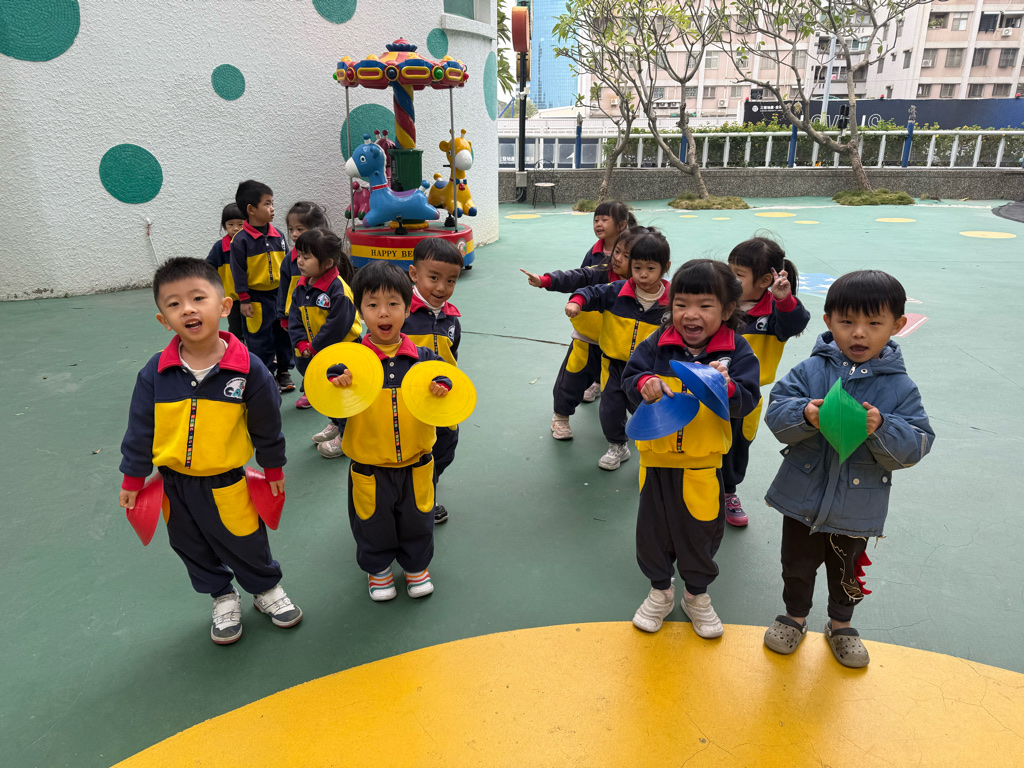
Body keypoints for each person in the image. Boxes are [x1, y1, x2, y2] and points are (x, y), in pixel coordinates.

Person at [118, 257, 301, 645]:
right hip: (174, 485)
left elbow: (267, 427)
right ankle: (222, 596)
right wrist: (133, 478)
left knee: (246, 539)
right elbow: (140, 429)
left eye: (198, 298)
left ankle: (265, 589)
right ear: (164, 320)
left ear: (224, 306)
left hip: (227, 481)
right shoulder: (155, 372)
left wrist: (273, 469)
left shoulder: (249, 369)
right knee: (190, 545)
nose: (187, 309)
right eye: (174, 304)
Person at [761, 270, 933, 668]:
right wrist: (805, 413)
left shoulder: (900, 387)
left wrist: (882, 427)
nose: (859, 333)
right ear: (828, 322)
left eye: (874, 323)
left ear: (897, 325)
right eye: (846, 322)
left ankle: (841, 624)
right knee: (796, 565)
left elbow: (918, 442)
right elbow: (776, 410)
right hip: (802, 498)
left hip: (856, 505)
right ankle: (795, 616)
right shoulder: (811, 370)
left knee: (847, 571)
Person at [623, 260, 760, 639]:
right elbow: (630, 378)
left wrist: (725, 386)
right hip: (655, 463)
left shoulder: (737, 351)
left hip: (702, 467)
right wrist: (644, 383)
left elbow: (747, 399)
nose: (690, 314)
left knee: (700, 534)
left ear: (727, 310)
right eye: (681, 304)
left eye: (704, 305)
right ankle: (660, 592)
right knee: (652, 534)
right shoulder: (657, 344)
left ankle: (696, 596)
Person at [329, 262, 453, 601]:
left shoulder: (424, 359)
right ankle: (379, 569)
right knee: (371, 520)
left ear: (408, 308)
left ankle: (416, 567)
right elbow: (330, 401)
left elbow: (449, 382)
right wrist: (337, 382)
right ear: (360, 312)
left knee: (418, 518)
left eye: (393, 304)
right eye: (372, 304)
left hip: (417, 462)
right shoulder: (351, 363)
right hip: (370, 466)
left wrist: (442, 384)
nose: (383, 313)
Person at [722, 236, 810, 526]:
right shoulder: (721, 301)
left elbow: (795, 324)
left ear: (764, 281)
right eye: (729, 270)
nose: (730, 278)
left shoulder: (775, 312)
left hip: (744, 395)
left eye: (738, 274)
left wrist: (784, 300)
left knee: (737, 445)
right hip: (708, 387)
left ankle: (728, 492)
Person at [567, 227, 670, 471]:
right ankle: (617, 446)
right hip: (613, 364)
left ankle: (654, 450)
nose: (642, 274)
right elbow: (590, 292)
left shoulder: (672, 301)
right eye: (637, 267)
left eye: (650, 268)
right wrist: (577, 302)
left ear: (665, 267)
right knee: (610, 409)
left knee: (647, 410)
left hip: (647, 370)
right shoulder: (617, 291)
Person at [548, 201, 636, 440]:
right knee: (574, 373)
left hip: (618, 337)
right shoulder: (597, 258)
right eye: (596, 219)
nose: (599, 224)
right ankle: (560, 415)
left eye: (605, 219)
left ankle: (625, 425)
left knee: (619, 380)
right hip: (590, 329)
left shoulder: (639, 270)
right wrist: (570, 295)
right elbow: (582, 279)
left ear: (622, 225)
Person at [286, 228, 361, 459]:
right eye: (299, 255)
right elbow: (295, 317)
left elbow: (337, 326)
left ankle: (348, 436)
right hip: (313, 352)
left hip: (340, 353)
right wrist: (301, 343)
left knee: (341, 394)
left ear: (327, 263)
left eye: (306, 257)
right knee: (326, 393)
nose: (299, 261)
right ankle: (337, 423)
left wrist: (313, 347)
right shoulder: (302, 286)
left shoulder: (338, 290)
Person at [404, 239, 464, 524]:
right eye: (434, 278)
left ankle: (429, 483)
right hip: (409, 402)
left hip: (443, 399)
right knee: (413, 449)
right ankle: (416, 497)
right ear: (414, 274)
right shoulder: (401, 313)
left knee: (445, 445)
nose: (442, 288)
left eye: (451, 281)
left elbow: (453, 356)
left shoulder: (452, 319)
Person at [229, 179, 294, 393]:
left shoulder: (279, 236)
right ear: (251, 210)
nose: (272, 208)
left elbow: (287, 265)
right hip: (255, 299)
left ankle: (283, 371)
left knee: (284, 334)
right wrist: (244, 299)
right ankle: (265, 374)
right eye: (267, 203)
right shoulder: (241, 240)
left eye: (272, 203)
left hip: (280, 296)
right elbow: (238, 272)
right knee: (259, 338)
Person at [279, 201, 330, 408]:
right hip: (298, 320)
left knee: (326, 355)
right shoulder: (289, 261)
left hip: (322, 319)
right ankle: (310, 387)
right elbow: (283, 291)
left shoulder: (326, 261)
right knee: (302, 357)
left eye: (300, 229)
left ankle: (327, 385)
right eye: (291, 229)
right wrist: (283, 317)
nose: (294, 234)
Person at [205, 203, 246, 341]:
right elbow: (208, 268)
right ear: (224, 226)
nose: (236, 228)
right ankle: (236, 349)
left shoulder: (252, 245)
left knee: (256, 328)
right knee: (236, 329)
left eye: (240, 224)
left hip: (252, 296)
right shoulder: (219, 248)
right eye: (230, 224)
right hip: (231, 298)